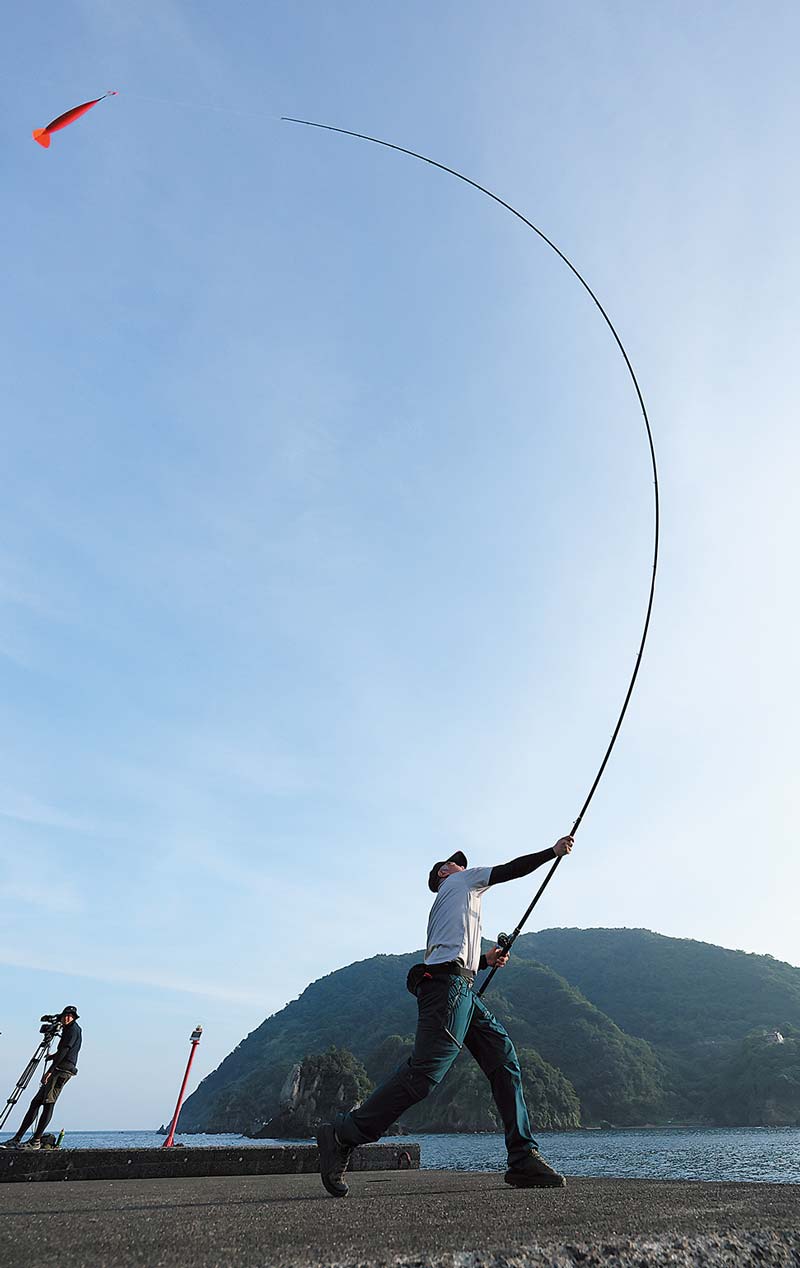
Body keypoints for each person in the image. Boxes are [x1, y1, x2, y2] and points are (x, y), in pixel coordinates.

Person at [317, 838, 573, 1196]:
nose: (464, 866)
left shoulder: (456, 898)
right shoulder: (461, 883)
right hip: (448, 990)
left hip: (458, 987)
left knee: (503, 1058)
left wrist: (484, 961)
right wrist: (552, 852)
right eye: (457, 863)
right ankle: (343, 1135)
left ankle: (522, 1158)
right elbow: (509, 870)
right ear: (444, 872)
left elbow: (454, 954)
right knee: (423, 1075)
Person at [1, 1006, 82, 1150]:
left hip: (61, 1070)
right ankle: (17, 1138)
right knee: (36, 1102)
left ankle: (36, 1141)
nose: (67, 1018)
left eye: (70, 1016)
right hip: (60, 1066)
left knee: (48, 1103)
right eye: (65, 1015)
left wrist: (50, 1071)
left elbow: (65, 1050)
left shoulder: (72, 1030)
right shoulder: (68, 1026)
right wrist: (53, 1056)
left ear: (74, 1018)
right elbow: (64, 1051)